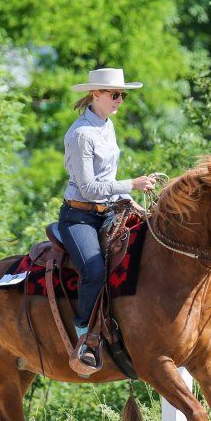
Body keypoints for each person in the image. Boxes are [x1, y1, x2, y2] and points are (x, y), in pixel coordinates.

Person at [59, 67, 156, 372]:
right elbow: (89, 188)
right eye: (115, 94)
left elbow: (106, 178)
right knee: (93, 269)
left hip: (107, 210)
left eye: (122, 95)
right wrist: (132, 184)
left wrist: (129, 200)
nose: (120, 100)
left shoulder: (106, 125)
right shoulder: (80, 134)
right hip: (79, 217)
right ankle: (84, 335)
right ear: (96, 94)